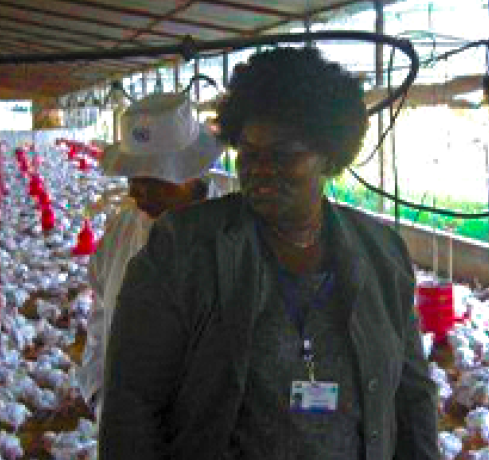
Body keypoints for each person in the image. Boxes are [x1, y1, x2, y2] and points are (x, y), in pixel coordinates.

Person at [100, 47, 439, 459]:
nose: (261, 169)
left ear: (328, 155)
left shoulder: (381, 253)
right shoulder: (185, 249)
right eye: (249, 153)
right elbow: (132, 402)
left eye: (284, 155)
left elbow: (412, 395)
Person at [78, 92, 224, 416]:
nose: (135, 192)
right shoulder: (123, 229)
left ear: (190, 172)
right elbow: (101, 314)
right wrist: (99, 392)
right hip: (129, 417)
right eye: (133, 177)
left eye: (152, 180)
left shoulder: (237, 230)